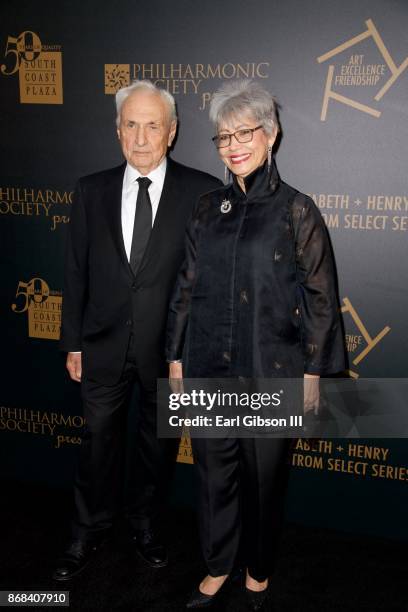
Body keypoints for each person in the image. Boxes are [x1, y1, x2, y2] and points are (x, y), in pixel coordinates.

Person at [166, 79, 345, 609]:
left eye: (246, 132)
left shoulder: (297, 210)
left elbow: (320, 297)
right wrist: (175, 361)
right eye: (224, 136)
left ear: (272, 135)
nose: (234, 145)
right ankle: (219, 562)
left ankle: (258, 569)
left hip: (274, 369)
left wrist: (312, 376)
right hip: (208, 366)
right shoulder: (205, 209)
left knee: (265, 482)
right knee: (213, 475)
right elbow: (185, 288)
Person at [53, 80, 222, 581]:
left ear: (172, 133)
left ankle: (146, 525)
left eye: (153, 126)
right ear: (117, 131)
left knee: (157, 449)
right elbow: (76, 271)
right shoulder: (91, 189)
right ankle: (88, 529)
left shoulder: (203, 190)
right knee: (97, 444)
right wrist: (71, 341)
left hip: (169, 353)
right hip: (101, 345)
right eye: (131, 125)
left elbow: (208, 281)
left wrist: (192, 352)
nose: (142, 137)